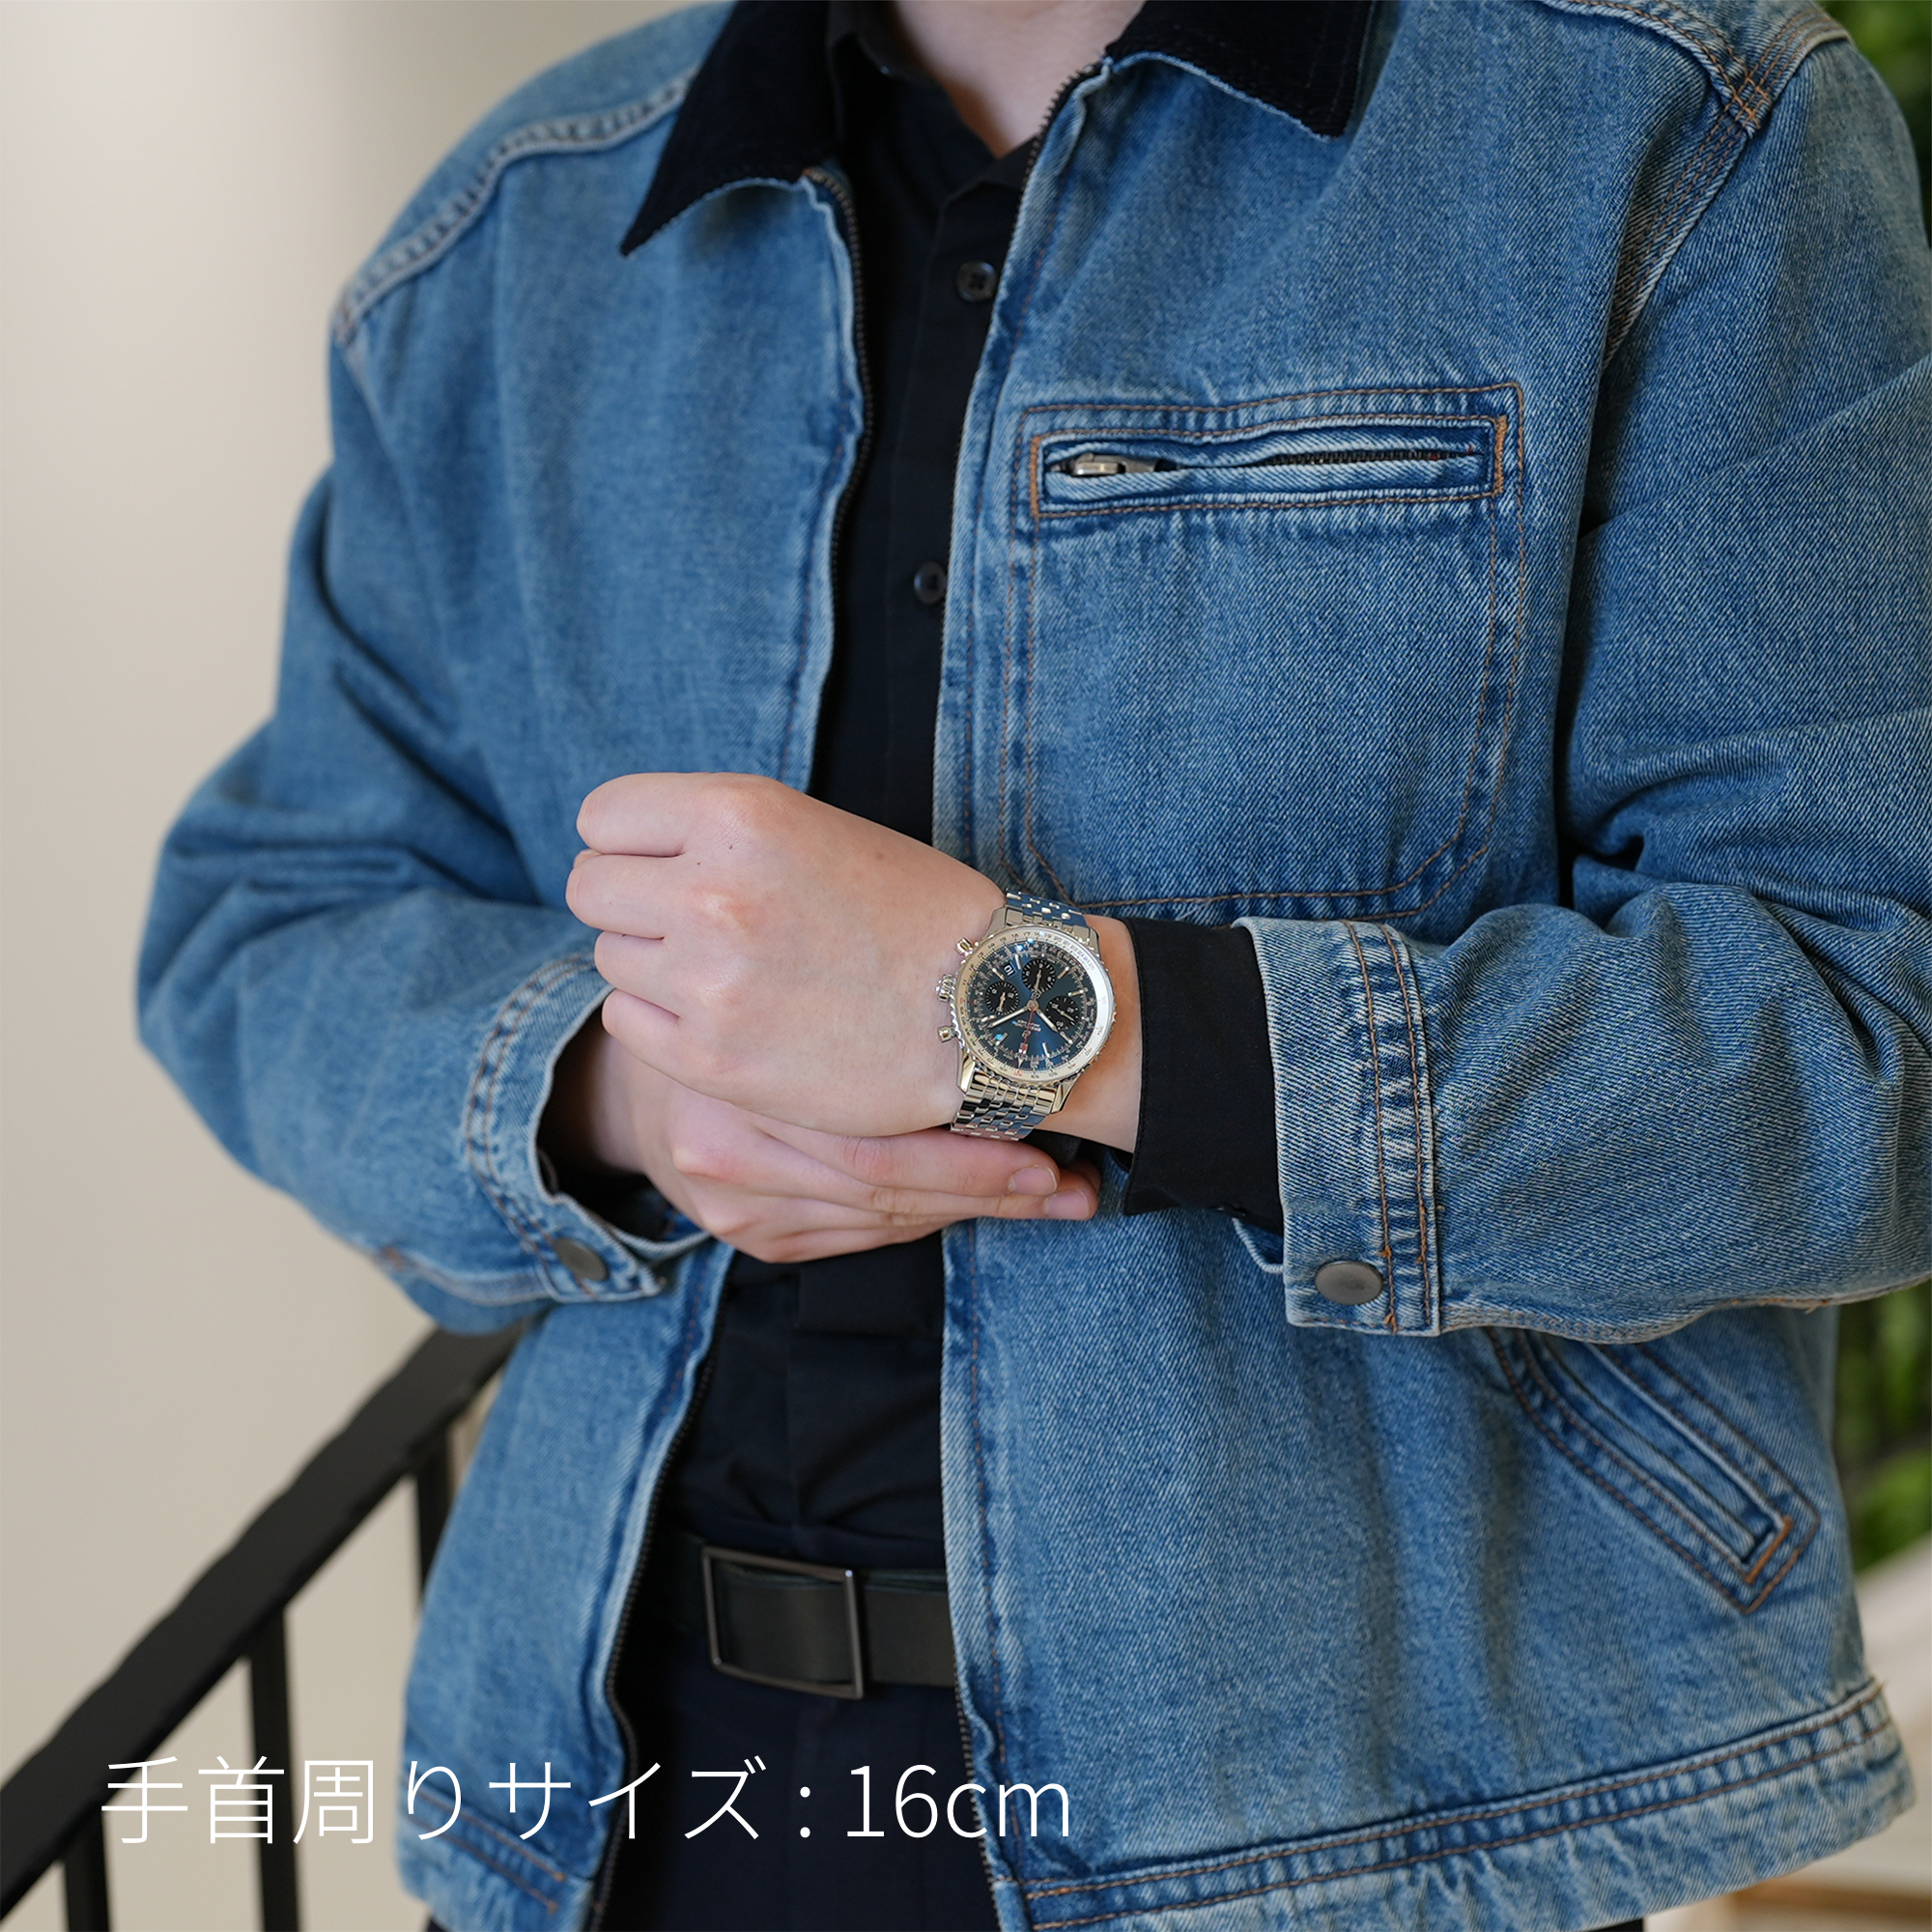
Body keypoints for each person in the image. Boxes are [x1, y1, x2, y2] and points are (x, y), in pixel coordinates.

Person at [138, 0, 1930, 1928]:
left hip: (1354, 1815)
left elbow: (1868, 1033)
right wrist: (626, 1086)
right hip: (624, 1797)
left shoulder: (1669, 128)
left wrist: (1028, 1011)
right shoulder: (513, 227)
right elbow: (265, 925)